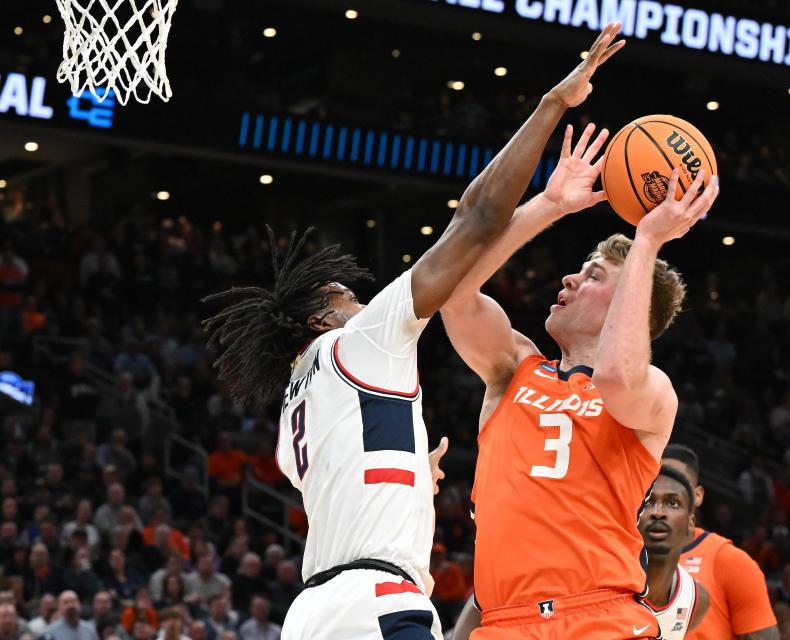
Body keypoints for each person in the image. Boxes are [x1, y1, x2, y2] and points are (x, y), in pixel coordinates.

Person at [201, 24, 617, 640]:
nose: (364, 301)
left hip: (310, 615)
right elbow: (475, 217)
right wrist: (552, 106)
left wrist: (411, 475)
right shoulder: (360, 339)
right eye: (349, 296)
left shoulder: (293, 419)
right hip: (376, 601)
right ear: (320, 318)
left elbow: (355, 474)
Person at [441, 31, 716, 640]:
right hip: (505, 623)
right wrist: (548, 206)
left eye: (592, 274)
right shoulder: (515, 366)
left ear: (627, 302)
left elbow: (617, 375)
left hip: (601, 618)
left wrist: (647, 240)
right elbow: (454, 294)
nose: (568, 277)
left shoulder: (652, 395)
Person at [662, 445, 779, 640]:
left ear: (697, 495)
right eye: (655, 482)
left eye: (677, 484)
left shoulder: (729, 561)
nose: (665, 490)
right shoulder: (621, 557)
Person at [638, 467, 710, 639]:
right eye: (648, 502)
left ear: (690, 523)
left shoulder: (696, 599)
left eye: (672, 503)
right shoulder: (602, 577)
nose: (658, 513)